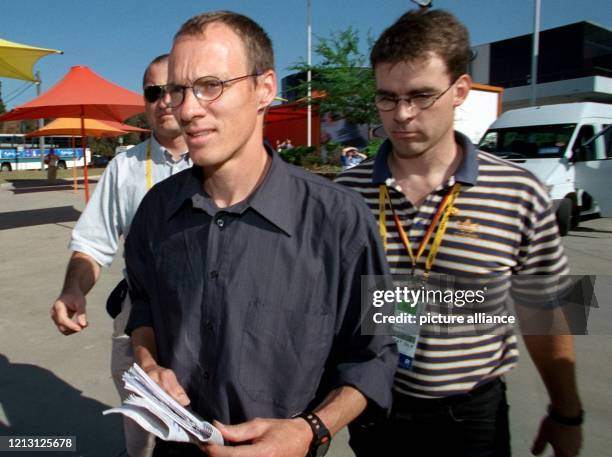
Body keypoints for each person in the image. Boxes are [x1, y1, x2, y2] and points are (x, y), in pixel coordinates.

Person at [123, 11, 396, 457]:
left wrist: (311, 429)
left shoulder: (344, 217)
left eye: (211, 85)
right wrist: (149, 361)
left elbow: (382, 351)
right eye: (177, 89)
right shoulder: (156, 209)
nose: (186, 109)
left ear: (264, 89)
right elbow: (143, 304)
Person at [336, 9, 583, 457]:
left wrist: (567, 412)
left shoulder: (518, 191)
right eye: (387, 98)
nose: (403, 115)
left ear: (460, 91)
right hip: (373, 412)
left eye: (421, 96)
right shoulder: (343, 196)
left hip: (471, 417)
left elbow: (548, 312)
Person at [50, 54, 191, 457]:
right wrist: (73, 290)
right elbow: (93, 245)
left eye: (174, 89)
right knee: (139, 416)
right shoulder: (125, 167)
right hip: (138, 310)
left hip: (204, 310)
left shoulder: (217, 159)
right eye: (153, 92)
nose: (164, 100)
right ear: (144, 102)